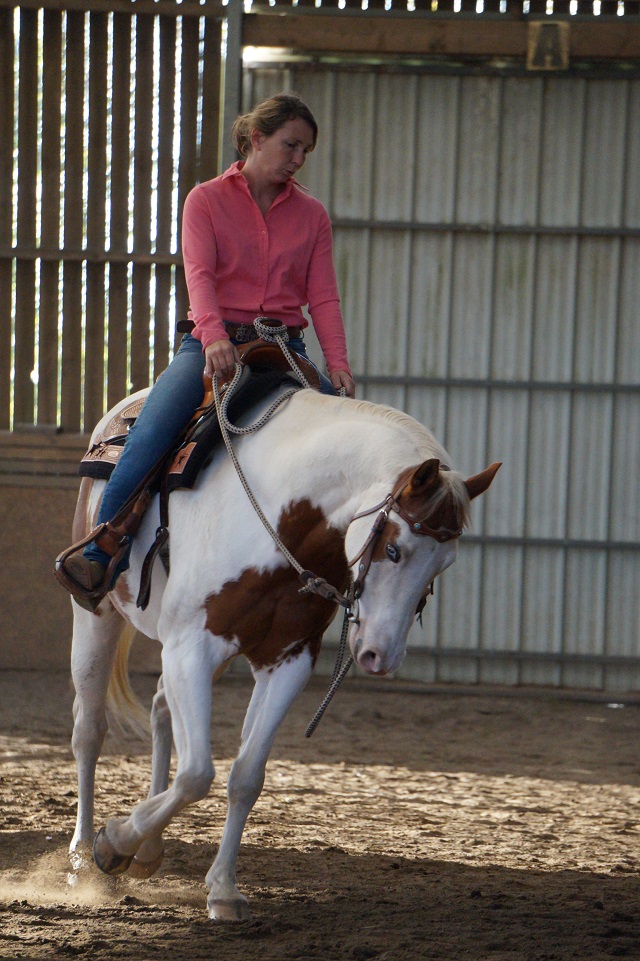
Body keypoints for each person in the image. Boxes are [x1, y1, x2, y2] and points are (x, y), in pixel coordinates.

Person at [58, 92, 356, 611]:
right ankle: (103, 548)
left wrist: (339, 366)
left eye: (306, 150)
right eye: (290, 145)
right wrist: (214, 335)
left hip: (285, 347)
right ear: (256, 139)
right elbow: (199, 275)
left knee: (343, 442)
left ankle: (344, 572)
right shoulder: (206, 200)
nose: (297, 159)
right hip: (213, 343)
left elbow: (324, 297)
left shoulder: (312, 216)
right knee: (154, 428)